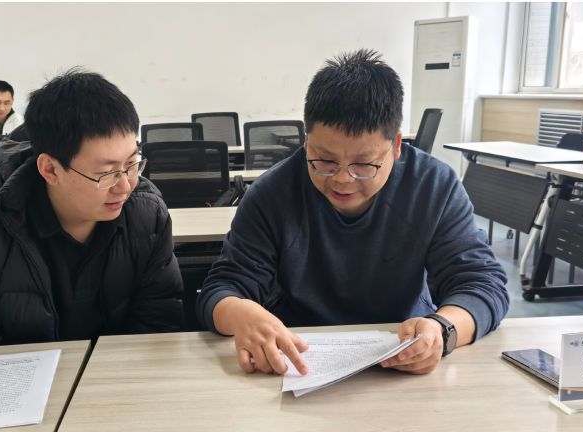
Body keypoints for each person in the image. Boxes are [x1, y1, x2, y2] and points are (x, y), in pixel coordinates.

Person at [200, 49, 508, 376]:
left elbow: (482, 283)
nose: (343, 179)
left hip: (403, 354)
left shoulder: (433, 187)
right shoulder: (272, 193)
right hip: (299, 360)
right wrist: (244, 314)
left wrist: (442, 330)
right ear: (306, 141)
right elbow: (222, 289)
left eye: (364, 164)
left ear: (396, 146)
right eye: (325, 160)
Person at [0, 69, 184, 349]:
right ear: (50, 169)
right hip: (18, 375)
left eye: (132, 163)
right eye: (106, 173)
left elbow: (157, 333)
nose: (125, 186)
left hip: (117, 373)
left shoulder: (147, 217)